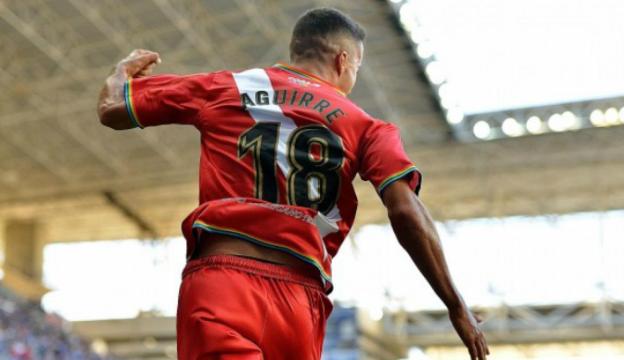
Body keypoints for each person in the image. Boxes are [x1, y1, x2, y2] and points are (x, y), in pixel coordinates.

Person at [97, 7, 490, 360]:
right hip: (301, 302)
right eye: (357, 66)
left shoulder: (226, 86)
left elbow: (114, 109)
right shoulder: (368, 126)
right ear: (343, 60)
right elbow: (406, 210)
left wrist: (121, 74)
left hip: (224, 285)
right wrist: (455, 305)